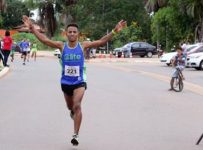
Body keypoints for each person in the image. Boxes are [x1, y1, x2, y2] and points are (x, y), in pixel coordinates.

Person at [22, 15, 126, 146]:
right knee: (70, 107)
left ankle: (75, 135)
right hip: (65, 82)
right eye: (69, 32)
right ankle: (72, 112)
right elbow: (45, 40)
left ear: (78, 34)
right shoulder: (62, 46)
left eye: (74, 32)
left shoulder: (83, 46)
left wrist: (114, 31)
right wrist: (32, 28)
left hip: (79, 82)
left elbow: (101, 41)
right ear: (66, 34)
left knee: (77, 105)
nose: (72, 34)